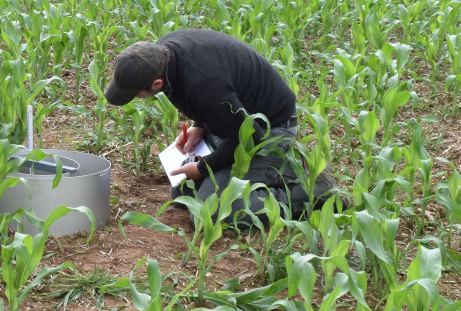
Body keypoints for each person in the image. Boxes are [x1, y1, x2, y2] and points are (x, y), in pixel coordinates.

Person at [104, 28, 336, 229]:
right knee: (182, 193)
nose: (134, 97)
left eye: (135, 93)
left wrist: (205, 167)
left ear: (157, 84)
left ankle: (309, 190)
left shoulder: (204, 85)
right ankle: (275, 170)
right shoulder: (164, 55)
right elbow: (219, 93)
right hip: (235, 121)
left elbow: (248, 139)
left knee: (208, 214)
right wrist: (200, 126)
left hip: (267, 131)